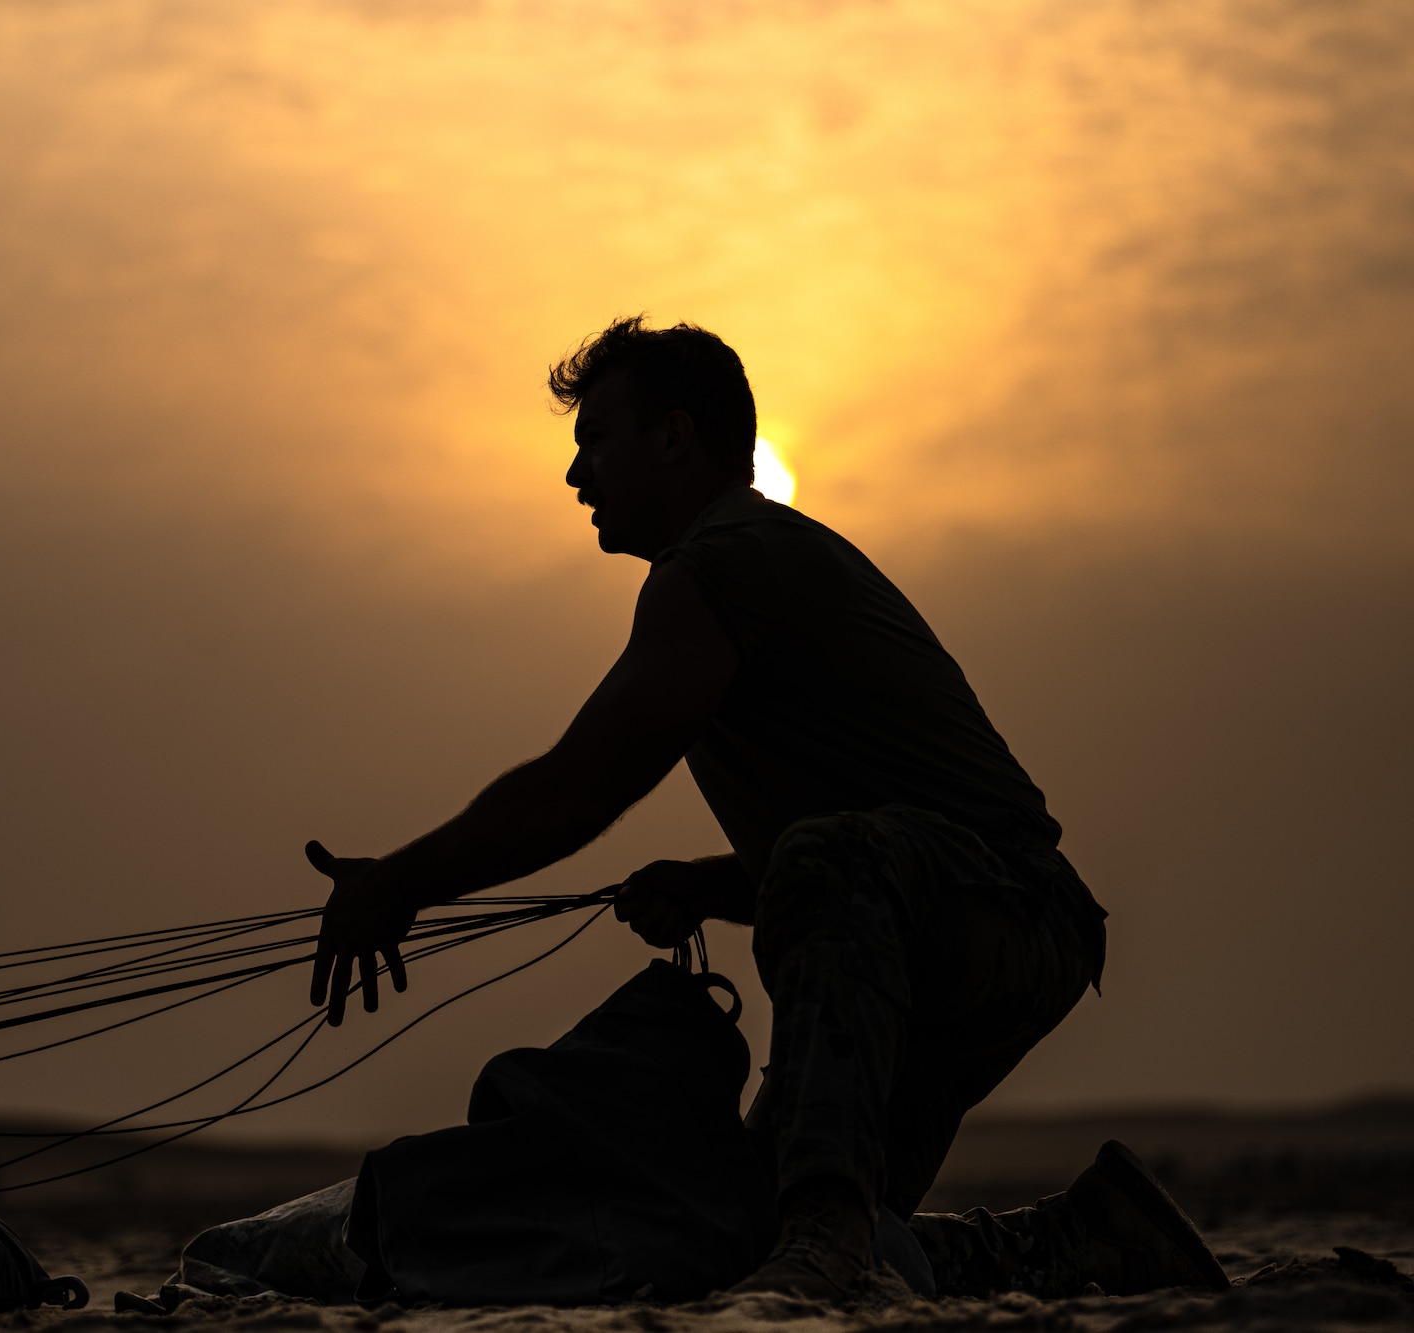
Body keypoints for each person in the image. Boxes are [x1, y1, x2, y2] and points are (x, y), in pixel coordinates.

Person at [302, 317, 1228, 1301]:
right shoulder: (738, 566)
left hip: (1006, 914)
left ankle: (822, 1243)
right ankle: (1088, 1240)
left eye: (595, 441)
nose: (577, 476)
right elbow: (887, 829)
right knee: (734, 1228)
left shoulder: (722, 562)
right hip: (953, 930)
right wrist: (713, 884)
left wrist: (399, 883)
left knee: (821, 897)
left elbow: (578, 785)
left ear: (672, 437)